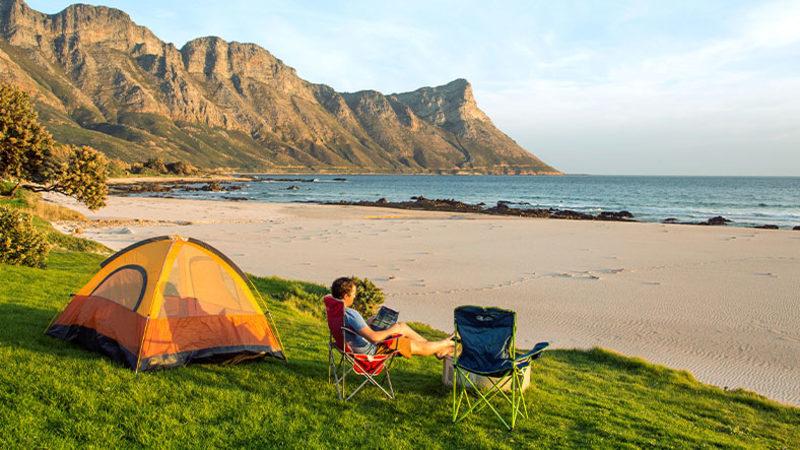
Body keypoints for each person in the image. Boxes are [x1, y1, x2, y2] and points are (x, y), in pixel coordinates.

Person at [330, 277, 454, 359]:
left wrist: (367, 322)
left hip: (353, 347)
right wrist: (392, 330)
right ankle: (446, 343)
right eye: (353, 294)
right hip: (370, 350)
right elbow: (374, 338)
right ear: (346, 296)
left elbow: (350, 329)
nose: (355, 296)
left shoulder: (335, 310)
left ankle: (438, 349)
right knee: (405, 335)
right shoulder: (351, 314)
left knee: (403, 327)